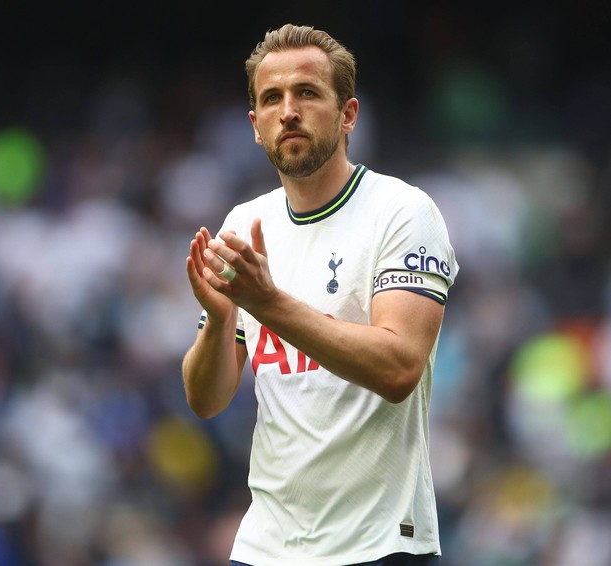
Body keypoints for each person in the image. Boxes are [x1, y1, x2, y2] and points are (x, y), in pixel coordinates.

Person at [182, 24, 458, 566]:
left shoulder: (402, 212)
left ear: (348, 114)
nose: (288, 110)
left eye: (307, 93)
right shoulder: (245, 223)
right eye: (271, 98)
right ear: (256, 126)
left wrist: (267, 304)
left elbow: (400, 368)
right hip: (266, 546)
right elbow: (207, 400)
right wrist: (218, 323)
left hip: (377, 544)